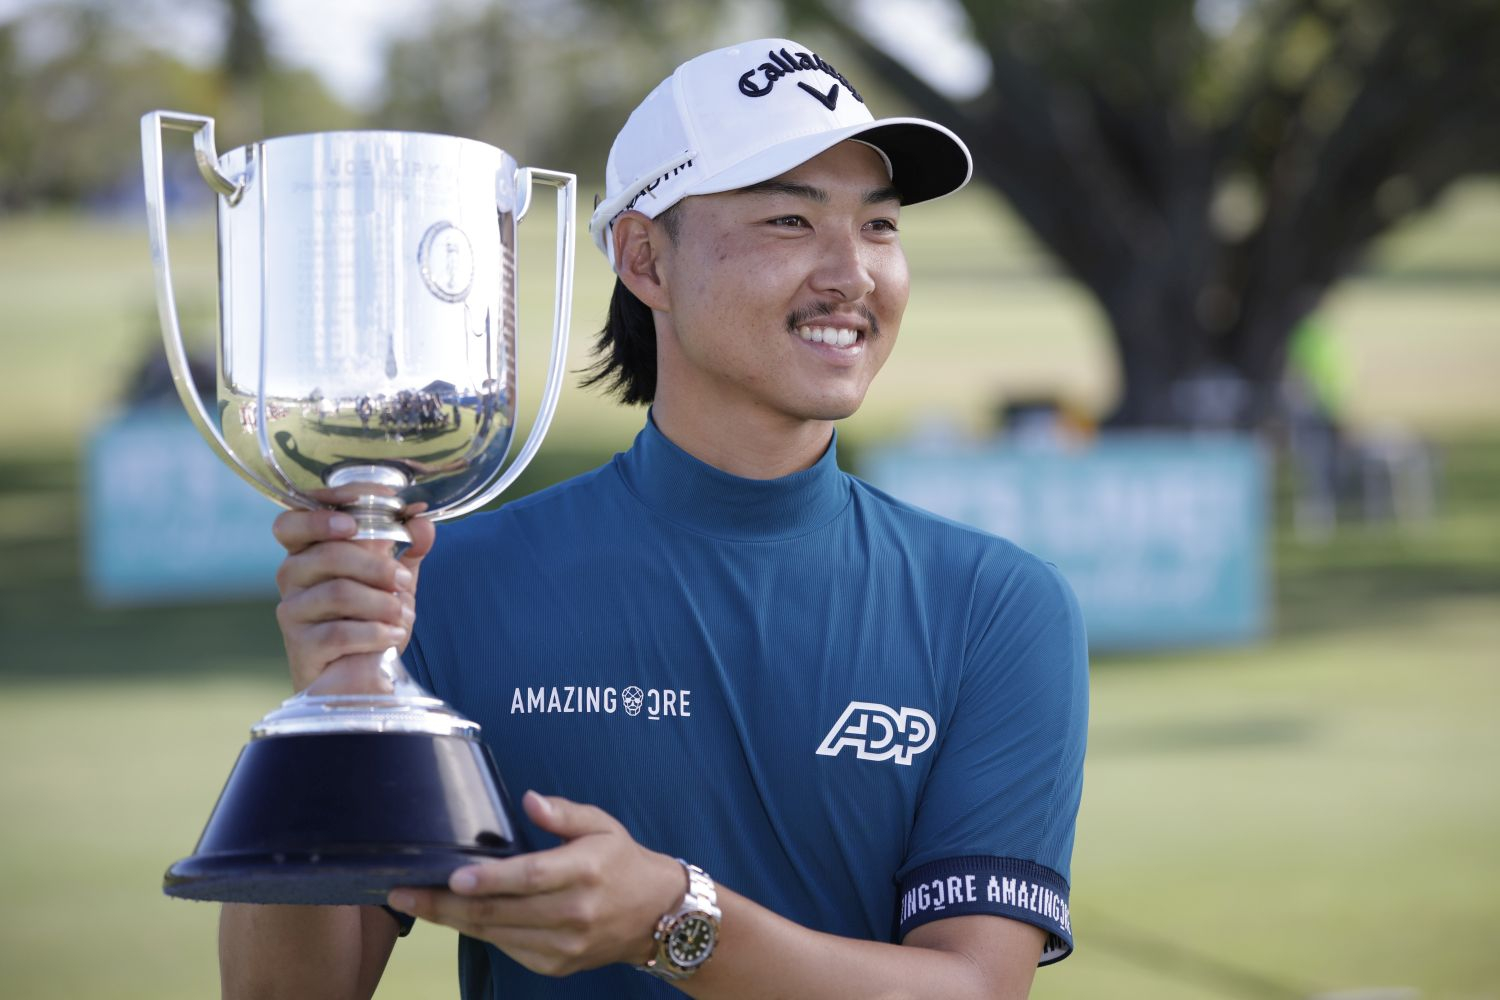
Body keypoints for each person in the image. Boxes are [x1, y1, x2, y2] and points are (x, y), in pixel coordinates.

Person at [226, 37, 1088, 999]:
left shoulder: (997, 607)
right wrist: (332, 709)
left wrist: (674, 919)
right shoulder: (449, 590)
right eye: (790, 219)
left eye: (880, 225)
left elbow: (973, 990)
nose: (853, 274)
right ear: (646, 260)